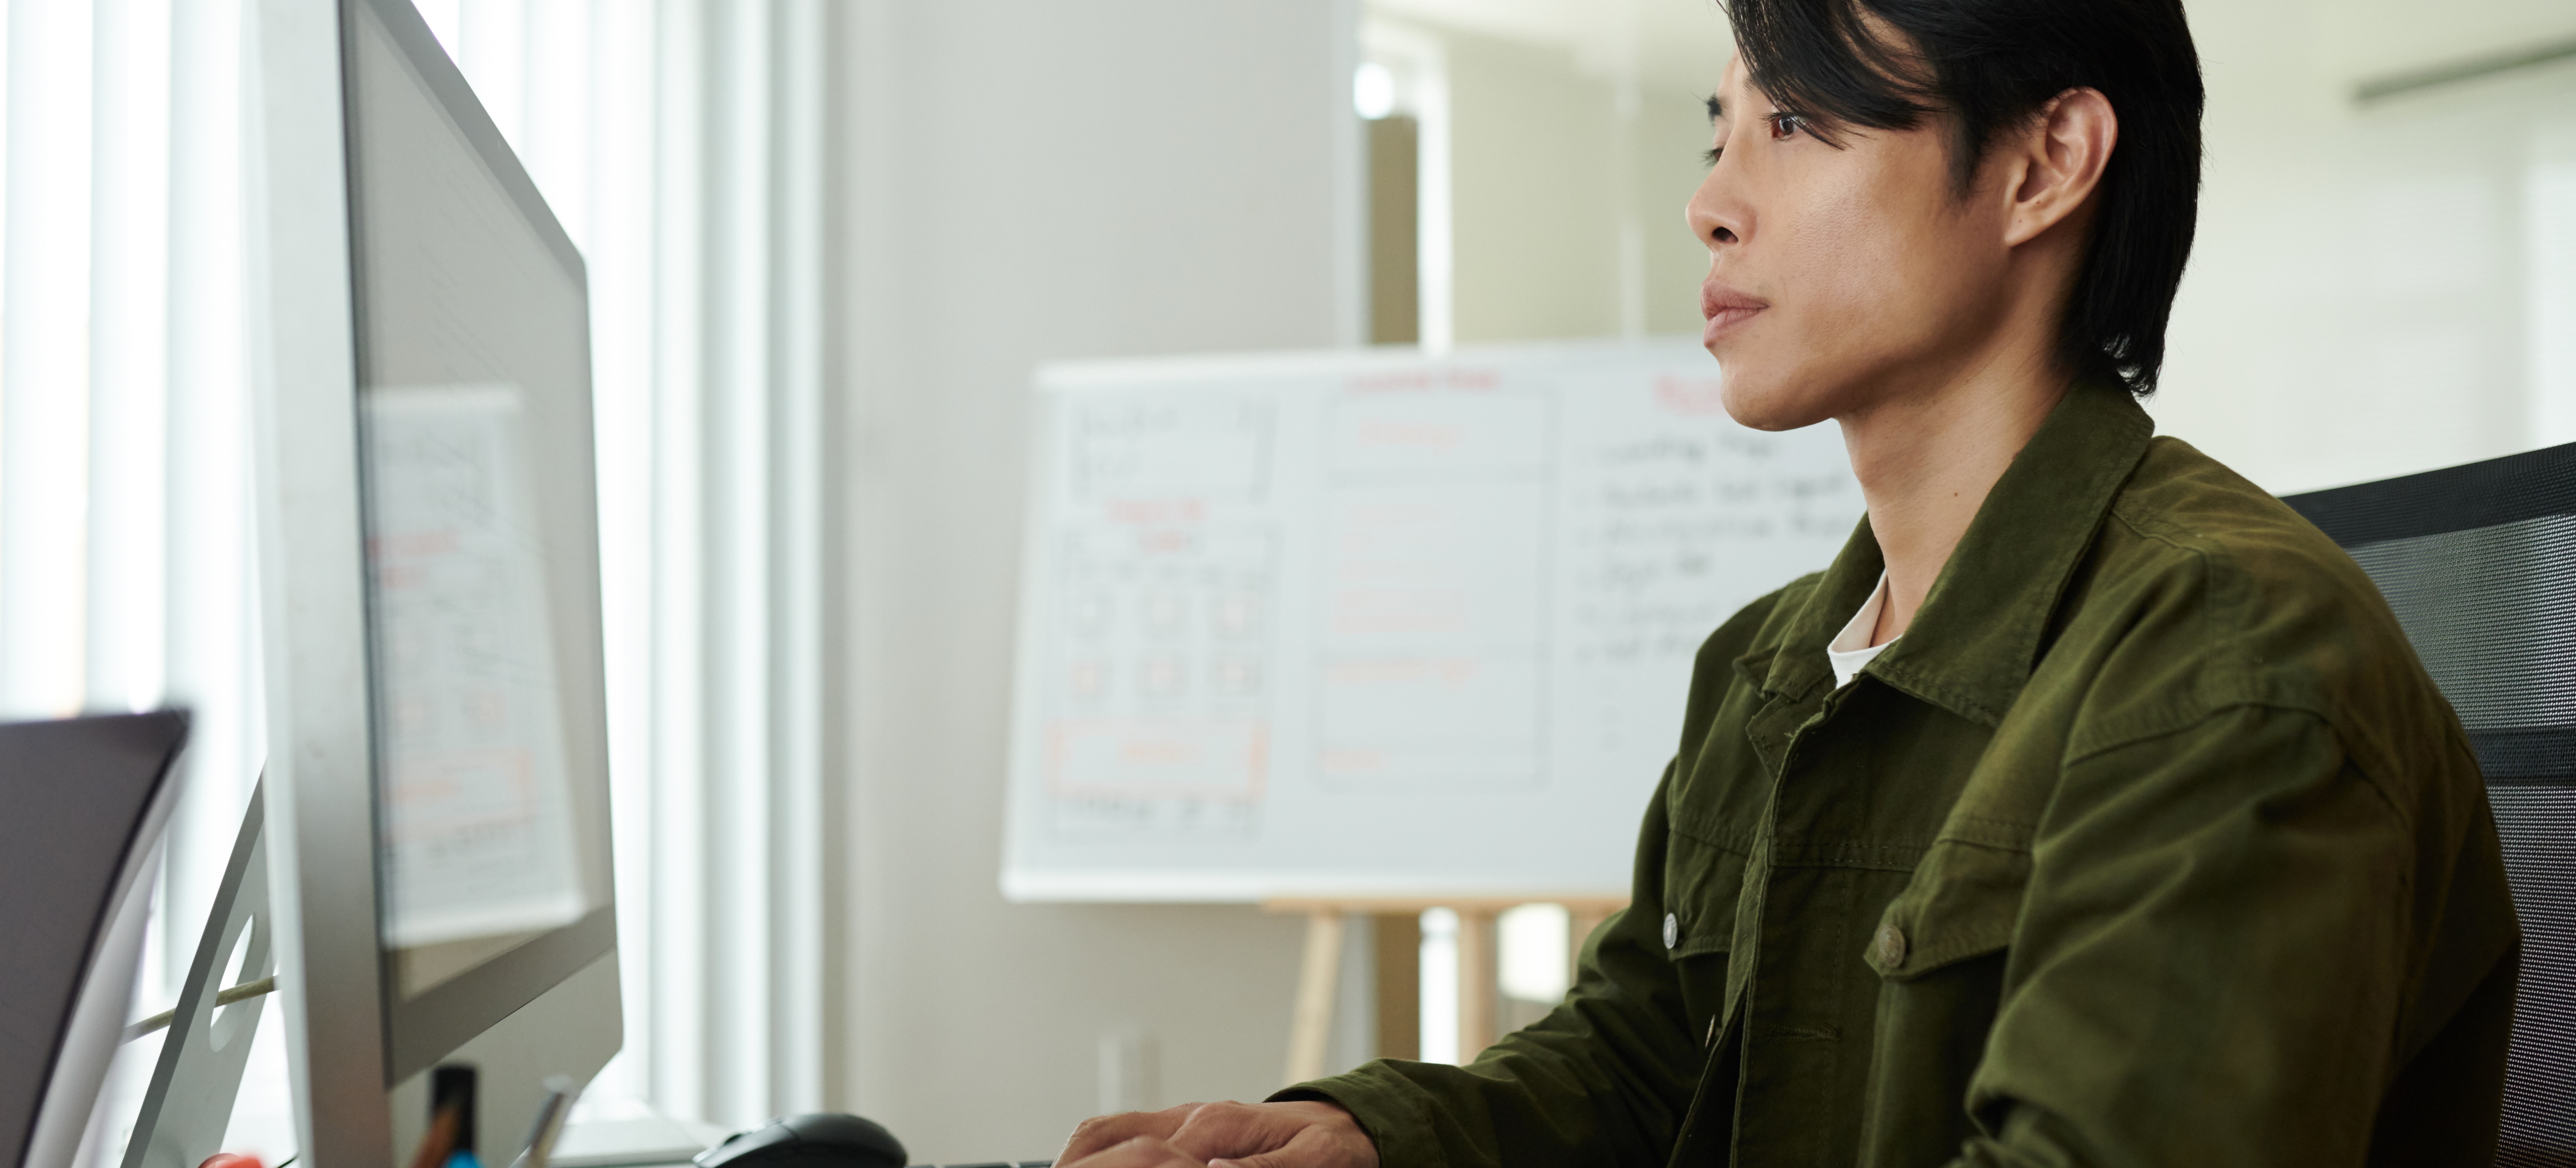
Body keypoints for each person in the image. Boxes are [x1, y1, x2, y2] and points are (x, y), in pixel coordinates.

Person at [1057, 0, 2519, 1162]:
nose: (1710, 202)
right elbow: (1648, 1056)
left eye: (1798, 123)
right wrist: (1380, 1139)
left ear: (2043, 165)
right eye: (1723, 129)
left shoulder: (2225, 656)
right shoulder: (1771, 663)